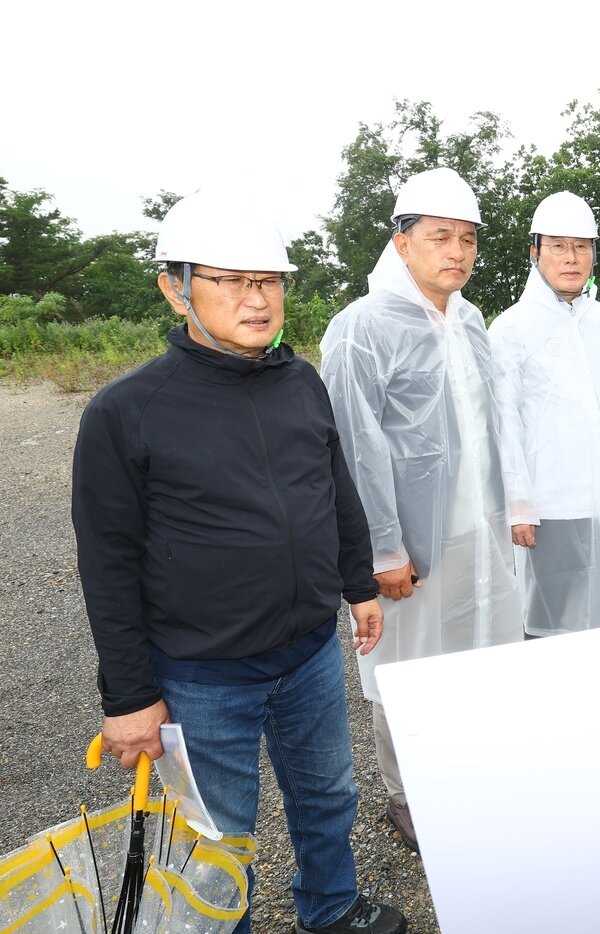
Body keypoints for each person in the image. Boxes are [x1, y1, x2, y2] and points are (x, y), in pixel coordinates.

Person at [71, 189, 405, 934]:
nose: (259, 299)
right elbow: (108, 563)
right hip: (201, 672)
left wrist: (357, 586)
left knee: (327, 795)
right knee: (216, 836)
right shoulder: (127, 412)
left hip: (310, 652)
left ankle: (331, 907)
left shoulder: (301, 381)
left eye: (271, 281)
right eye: (234, 280)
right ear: (175, 286)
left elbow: (337, 492)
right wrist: (128, 698)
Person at [319, 167, 523, 852]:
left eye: (468, 239)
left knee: (472, 651)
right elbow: (354, 447)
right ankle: (406, 795)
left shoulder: (469, 320)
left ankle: (468, 771)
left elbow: (494, 425)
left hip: (476, 526)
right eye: (440, 236)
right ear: (402, 243)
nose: (457, 252)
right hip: (408, 543)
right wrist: (383, 550)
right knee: (402, 670)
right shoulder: (361, 328)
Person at [489, 192, 600, 636]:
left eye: (582, 247)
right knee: (551, 615)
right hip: (550, 503)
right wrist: (519, 505)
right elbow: (505, 423)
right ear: (535, 251)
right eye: (559, 246)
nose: (571, 258)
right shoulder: (511, 328)